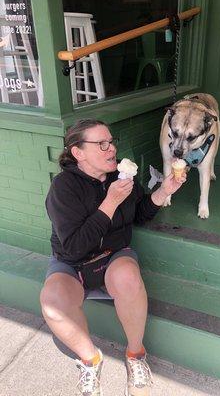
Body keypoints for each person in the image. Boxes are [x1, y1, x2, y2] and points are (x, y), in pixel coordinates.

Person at [40, 119, 186, 396]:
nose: (111, 149)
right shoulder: (64, 188)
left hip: (113, 255)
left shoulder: (123, 177)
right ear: (78, 153)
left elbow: (141, 213)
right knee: (52, 303)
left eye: (111, 142)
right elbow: (74, 248)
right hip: (73, 264)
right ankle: (90, 360)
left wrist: (165, 190)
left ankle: (135, 355)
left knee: (128, 277)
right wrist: (110, 202)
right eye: (101, 144)